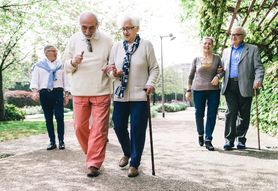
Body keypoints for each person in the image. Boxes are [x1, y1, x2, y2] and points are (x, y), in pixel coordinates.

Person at [103, 15, 159, 177]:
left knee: (137, 129)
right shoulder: (116, 47)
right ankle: (127, 152)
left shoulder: (146, 45)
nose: (126, 31)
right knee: (118, 125)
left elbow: (154, 68)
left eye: (129, 28)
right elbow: (110, 71)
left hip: (140, 95)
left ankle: (134, 162)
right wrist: (114, 73)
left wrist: (150, 83)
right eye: (123, 28)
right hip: (120, 95)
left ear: (137, 29)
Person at [63, 12, 113, 177]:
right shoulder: (73, 40)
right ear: (80, 26)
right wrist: (73, 62)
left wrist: (111, 71)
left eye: (91, 27)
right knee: (79, 127)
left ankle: (94, 163)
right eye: (84, 27)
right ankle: (92, 153)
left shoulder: (107, 41)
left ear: (97, 25)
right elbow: (65, 66)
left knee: (99, 130)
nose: (87, 30)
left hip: (101, 90)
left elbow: (113, 66)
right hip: (80, 91)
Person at [221, 26, 264, 150]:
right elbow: (222, 68)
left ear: (243, 36)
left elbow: (259, 67)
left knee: (244, 114)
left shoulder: (252, 49)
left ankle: (241, 139)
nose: (233, 36)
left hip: (246, 84)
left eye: (237, 34)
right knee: (231, 112)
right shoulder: (226, 51)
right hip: (229, 85)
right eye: (232, 34)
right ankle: (229, 140)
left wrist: (258, 80)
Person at [186, 37, 224, 151]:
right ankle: (200, 134)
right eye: (205, 43)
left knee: (212, 115)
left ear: (212, 45)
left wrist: (217, 77)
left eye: (209, 44)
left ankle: (208, 139)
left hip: (213, 90)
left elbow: (222, 71)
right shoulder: (196, 59)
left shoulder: (217, 58)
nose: (207, 45)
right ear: (202, 45)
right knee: (199, 114)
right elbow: (190, 76)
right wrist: (188, 90)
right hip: (198, 90)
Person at [30, 45, 70, 150]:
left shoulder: (61, 65)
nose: (56, 53)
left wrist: (66, 95)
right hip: (45, 94)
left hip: (58, 93)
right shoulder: (38, 66)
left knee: (59, 117)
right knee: (48, 119)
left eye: (56, 51)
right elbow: (35, 80)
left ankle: (61, 141)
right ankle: (52, 142)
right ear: (46, 53)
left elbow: (65, 80)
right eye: (53, 51)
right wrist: (35, 91)